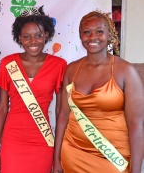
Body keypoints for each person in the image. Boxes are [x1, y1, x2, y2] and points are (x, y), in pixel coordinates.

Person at [53, 11, 144, 173]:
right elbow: (62, 115)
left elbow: (136, 124)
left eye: (99, 31)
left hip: (113, 157)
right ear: (80, 36)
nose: (92, 37)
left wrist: (136, 170)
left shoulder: (126, 71)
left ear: (109, 34)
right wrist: (56, 159)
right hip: (73, 154)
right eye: (86, 32)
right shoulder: (71, 69)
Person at [0, 6, 67, 173]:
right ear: (19, 38)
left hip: (43, 140)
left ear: (46, 34)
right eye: (27, 36)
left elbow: (62, 112)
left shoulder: (59, 65)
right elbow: (2, 108)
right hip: (12, 140)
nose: (33, 41)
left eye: (38, 35)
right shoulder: (8, 63)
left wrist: (58, 154)